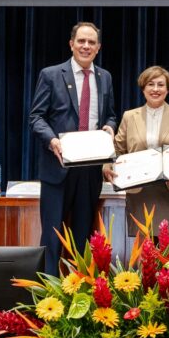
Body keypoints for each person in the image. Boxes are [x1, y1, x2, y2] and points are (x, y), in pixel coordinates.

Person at [29, 22, 117, 274]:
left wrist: (110, 127)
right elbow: (36, 118)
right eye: (81, 41)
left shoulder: (105, 77)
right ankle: (46, 296)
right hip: (58, 168)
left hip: (90, 170)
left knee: (83, 237)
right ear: (71, 44)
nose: (86, 46)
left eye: (91, 42)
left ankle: (80, 292)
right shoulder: (51, 74)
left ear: (98, 47)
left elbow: (110, 116)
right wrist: (52, 140)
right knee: (53, 237)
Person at [103, 66, 169, 233]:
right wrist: (107, 167)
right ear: (143, 88)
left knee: (167, 246)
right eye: (151, 84)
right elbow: (118, 148)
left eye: (161, 85)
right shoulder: (130, 116)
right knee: (141, 246)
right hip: (138, 190)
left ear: (168, 89)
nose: (156, 89)